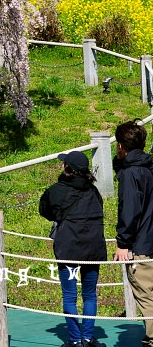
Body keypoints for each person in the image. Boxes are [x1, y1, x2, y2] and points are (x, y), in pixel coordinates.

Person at [41, 150, 106, 347]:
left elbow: (45, 210)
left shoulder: (56, 190)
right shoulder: (93, 191)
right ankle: (87, 337)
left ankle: (75, 340)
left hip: (68, 248)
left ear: (67, 168)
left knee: (69, 295)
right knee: (90, 295)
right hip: (92, 248)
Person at [114, 120, 153, 347]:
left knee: (146, 297)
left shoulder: (131, 174)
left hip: (142, 245)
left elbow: (130, 211)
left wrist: (123, 243)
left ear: (120, 145)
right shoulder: (149, 168)